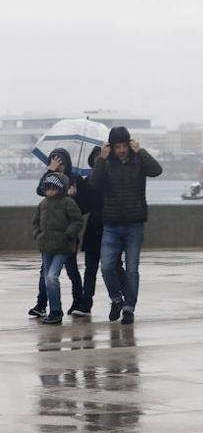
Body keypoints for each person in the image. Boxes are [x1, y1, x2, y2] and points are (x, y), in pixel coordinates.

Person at [91, 126, 162, 325]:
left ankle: (129, 308)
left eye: (124, 145)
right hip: (111, 224)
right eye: (117, 146)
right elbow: (94, 185)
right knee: (106, 267)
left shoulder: (138, 160)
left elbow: (156, 170)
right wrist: (101, 160)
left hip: (134, 224)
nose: (121, 150)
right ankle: (116, 299)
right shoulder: (106, 163)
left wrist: (141, 151)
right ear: (111, 147)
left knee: (132, 269)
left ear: (130, 145)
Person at [26, 148, 84, 319]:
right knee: (47, 274)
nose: (57, 164)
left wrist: (74, 195)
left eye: (60, 161)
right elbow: (41, 190)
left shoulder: (75, 180)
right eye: (54, 160)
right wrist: (50, 170)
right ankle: (44, 305)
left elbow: (80, 215)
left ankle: (78, 302)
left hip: (66, 241)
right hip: (47, 242)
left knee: (72, 271)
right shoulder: (47, 188)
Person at [69, 146, 113, 317]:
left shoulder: (112, 180)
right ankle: (86, 303)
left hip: (110, 228)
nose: (99, 161)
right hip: (94, 228)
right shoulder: (86, 181)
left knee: (113, 268)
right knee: (90, 269)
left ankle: (118, 299)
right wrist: (75, 194)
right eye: (96, 158)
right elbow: (83, 207)